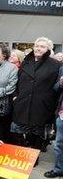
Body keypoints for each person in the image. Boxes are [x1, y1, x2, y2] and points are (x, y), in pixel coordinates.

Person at [12, 37, 61, 166]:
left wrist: (50, 102)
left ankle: (33, 159)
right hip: (23, 103)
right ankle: (22, 157)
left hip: (41, 105)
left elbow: (57, 87)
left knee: (36, 134)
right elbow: (18, 81)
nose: (38, 48)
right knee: (22, 132)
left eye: (42, 46)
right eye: (37, 46)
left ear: (48, 49)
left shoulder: (55, 65)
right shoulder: (26, 62)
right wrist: (16, 96)